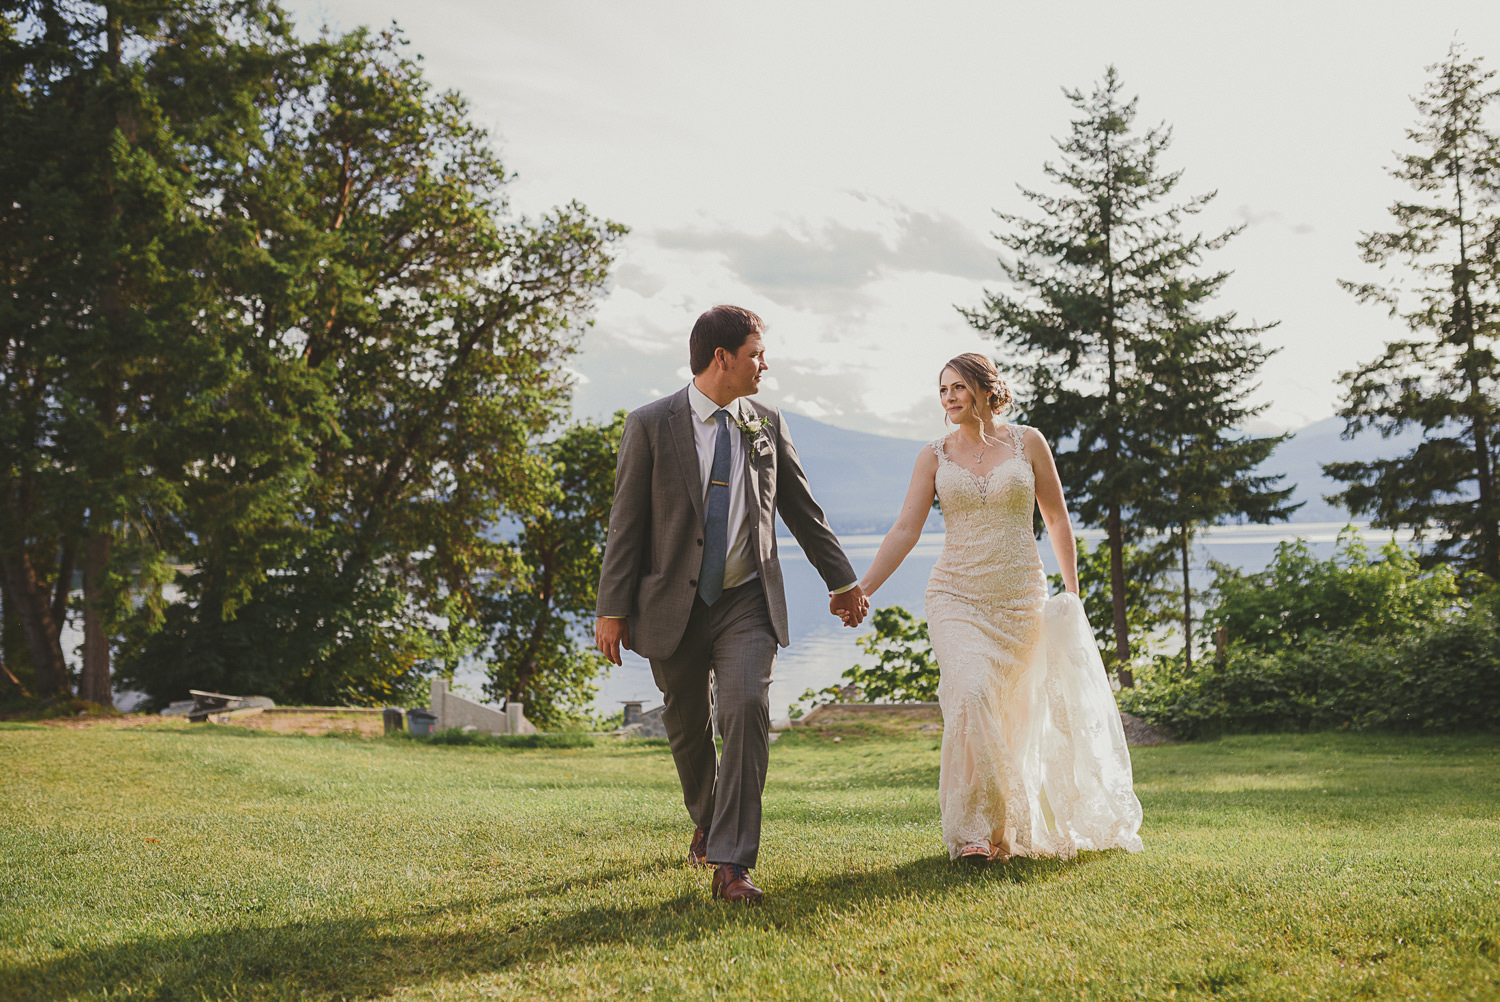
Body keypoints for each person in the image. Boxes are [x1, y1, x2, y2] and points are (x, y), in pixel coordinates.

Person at [595, 305, 869, 902]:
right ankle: (709, 818)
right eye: (756, 354)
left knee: (744, 708)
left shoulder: (767, 420)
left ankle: (733, 864)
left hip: (748, 599)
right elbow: (626, 522)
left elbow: (801, 507)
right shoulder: (648, 424)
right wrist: (610, 608)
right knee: (687, 723)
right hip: (672, 605)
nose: (764, 364)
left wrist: (842, 582)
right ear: (722, 358)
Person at [852, 352, 1143, 863]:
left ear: (987, 389)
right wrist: (865, 587)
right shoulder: (933, 455)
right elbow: (905, 529)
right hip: (955, 595)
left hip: (1020, 599)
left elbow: (1056, 519)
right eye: (942, 391)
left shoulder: (1028, 442)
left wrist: (1070, 594)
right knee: (970, 694)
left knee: (1014, 715)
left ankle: (1001, 831)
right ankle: (973, 835)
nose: (949, 398)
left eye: (958, 387)